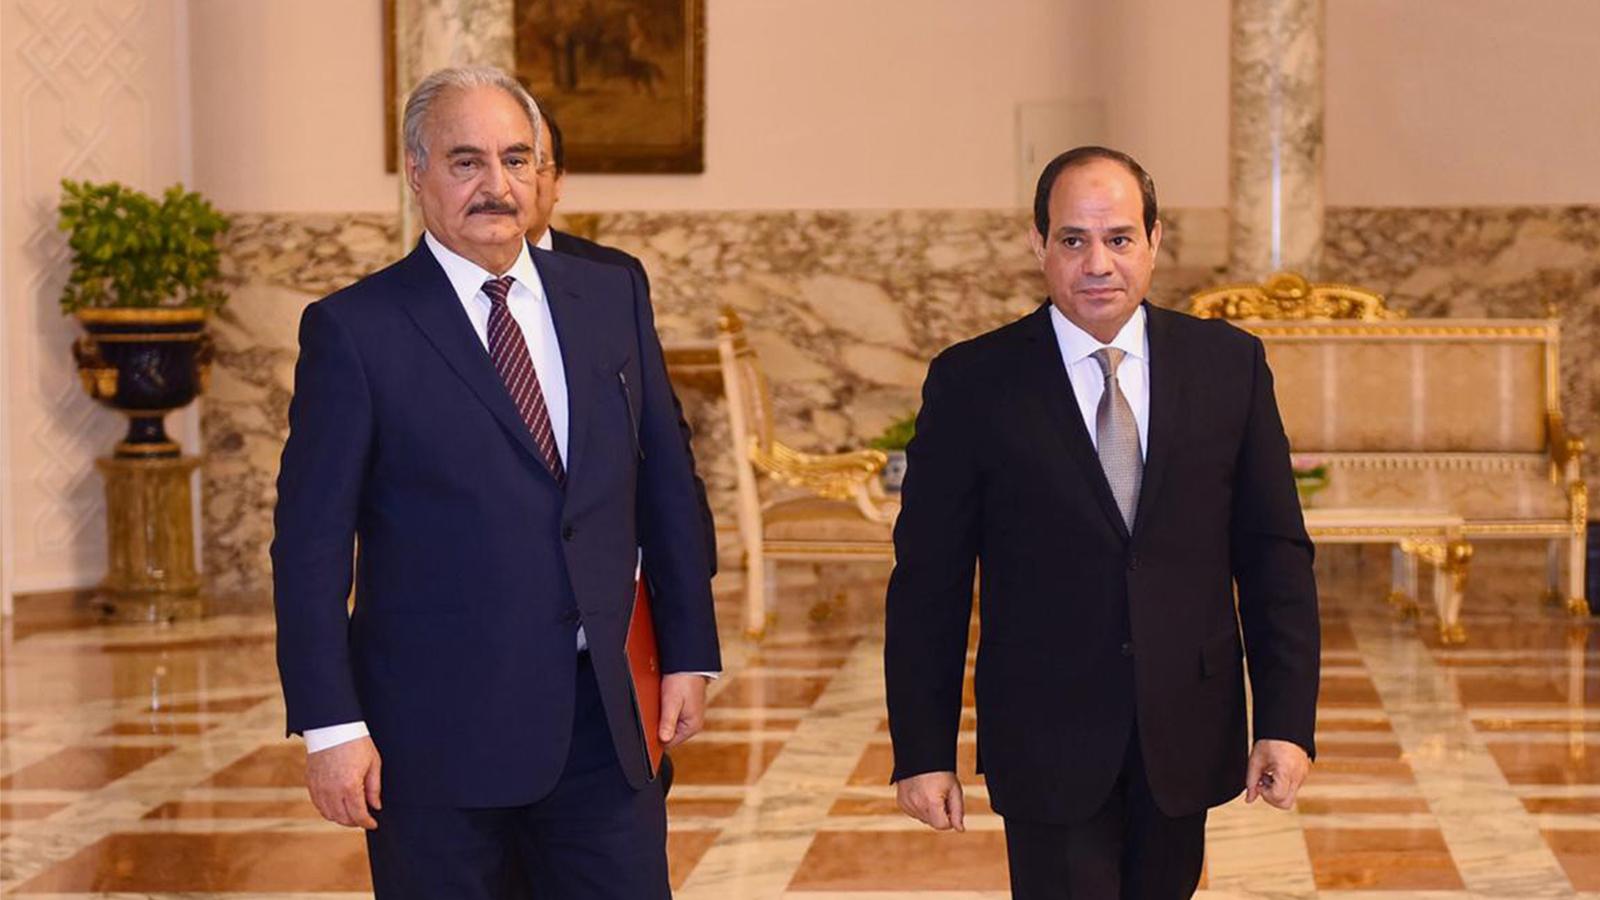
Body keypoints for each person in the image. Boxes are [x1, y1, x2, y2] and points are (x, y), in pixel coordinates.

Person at [272, 65, 720, 899]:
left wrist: (689, 651)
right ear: (417, 172)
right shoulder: (355, 330)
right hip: (434, 745)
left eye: (516, 159)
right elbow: (309, 549)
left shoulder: (611, 293)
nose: (497, 185)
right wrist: (331, 726)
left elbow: (663, 480)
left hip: (606, 728)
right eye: (466, 161)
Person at [883, 146, 1319, 899]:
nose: (1097, 264)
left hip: (1185, 731)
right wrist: (923, 751)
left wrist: (1285, 720)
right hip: (1044, 736)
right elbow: (930, 582)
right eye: (1073, 240)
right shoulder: (973, 382)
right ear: (1038, 244)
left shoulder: (1229, 366)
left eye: (1119, 238)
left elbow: (1274, 555)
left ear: (1154, 240)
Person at [527, 106, 718, 591]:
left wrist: (690, 552)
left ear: (559, 180)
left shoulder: (614, 277)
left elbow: (658, 425)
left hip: (606, 559)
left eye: (532, 162)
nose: (515, 181)